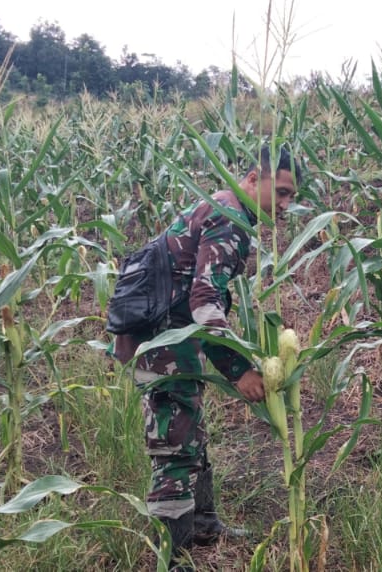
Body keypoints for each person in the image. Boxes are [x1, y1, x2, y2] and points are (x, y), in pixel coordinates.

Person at [110, 144, 302, 555]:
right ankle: (172, 557)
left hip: (171, 337)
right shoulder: (229, 220)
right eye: (282, 192)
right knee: (175, 446)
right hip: (165, 344)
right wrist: (239, 369)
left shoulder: (223, 204)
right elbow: (204, 301)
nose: (286, 205)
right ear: (254, 178)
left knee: (190, 431)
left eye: (291, 197)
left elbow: (198, 299)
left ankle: (204, 525)